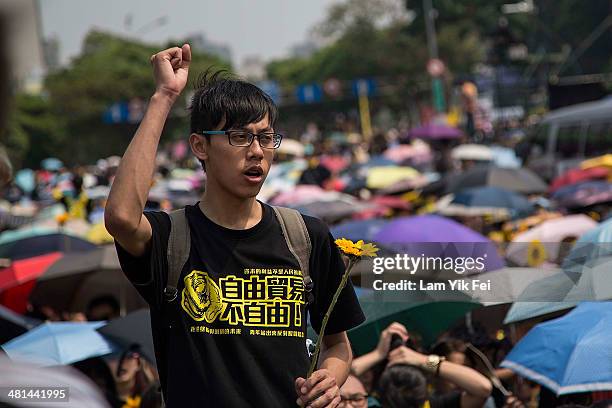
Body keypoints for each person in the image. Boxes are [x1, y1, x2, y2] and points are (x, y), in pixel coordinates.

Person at [105, 44, 365, 407]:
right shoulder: (171, 240)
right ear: (200, 146)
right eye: (240, 137)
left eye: (265, 137)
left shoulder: (306, 237)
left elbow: (337, 345)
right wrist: (164, 96)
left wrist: (329, 380)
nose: (257, 151)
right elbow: (120, 218)